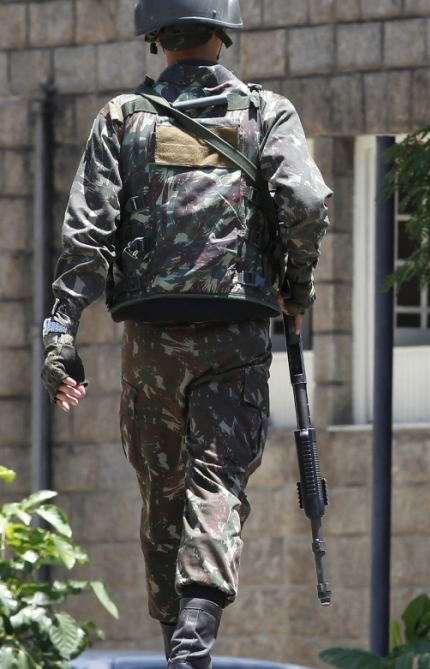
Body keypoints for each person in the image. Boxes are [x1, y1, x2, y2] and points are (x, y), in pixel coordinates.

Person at [39, 1, 331, 666]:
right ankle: (193, 643)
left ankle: (180, 642)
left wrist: (62, 334)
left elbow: (86, 234)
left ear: (154, 39)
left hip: (151, 338)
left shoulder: (121, 118)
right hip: (237, 336)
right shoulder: (266, 113)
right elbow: (308, 203)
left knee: (162, 490)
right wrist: (297, 286)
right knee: (216, 482)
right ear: (223, 33)